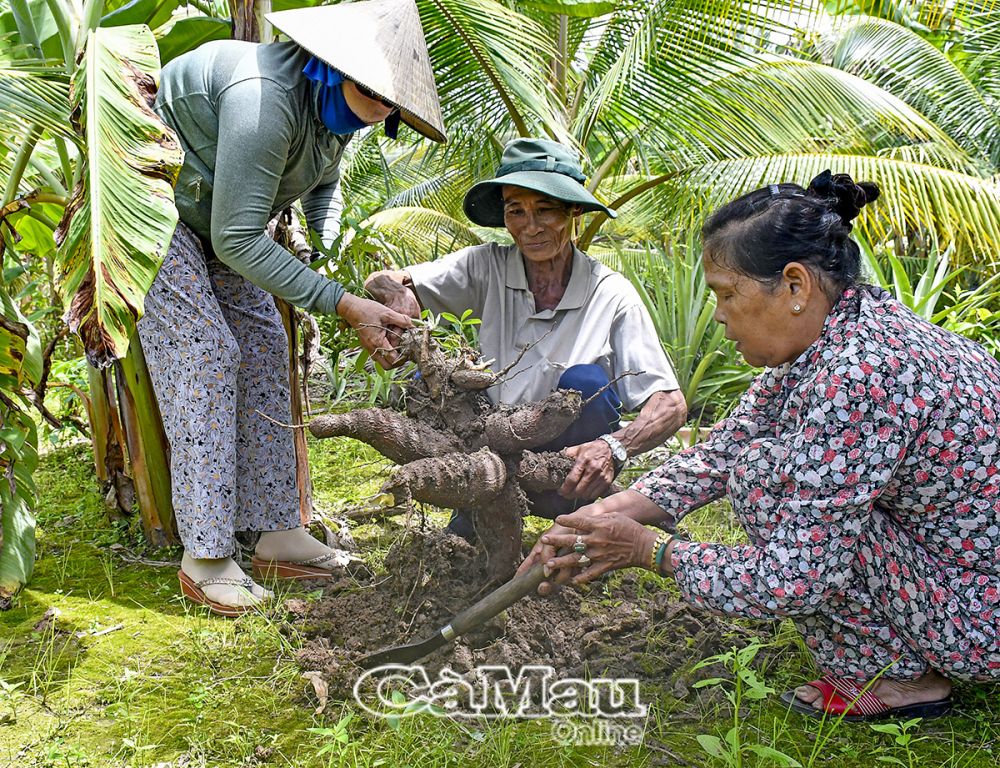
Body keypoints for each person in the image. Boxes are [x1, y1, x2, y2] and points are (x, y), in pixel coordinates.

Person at [520, 170, 1000, 721]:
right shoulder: (844, 332)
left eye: (728, 294)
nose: (720, 314)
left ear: (795, 287)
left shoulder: (862, 373)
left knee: (765, 478)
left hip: (980, 616)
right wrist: (592, 519)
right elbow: (717, 454)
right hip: (960, 577)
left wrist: (648, 550)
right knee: (752, 463)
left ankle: (899, 678)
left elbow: (793, 578)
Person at [137, 0, 446, 615]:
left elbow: (319, 184)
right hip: (149, 203)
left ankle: (276, 532)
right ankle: (204, 557)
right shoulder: (264, 99)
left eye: (392, 104)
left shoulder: (333, 116)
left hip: (213, 218)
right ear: (332, 69)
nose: (383, 111)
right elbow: (238, 237)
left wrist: (334, 265)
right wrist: (339, 302)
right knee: (206, 353)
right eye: (375, 95)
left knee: (263, 344)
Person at [365, 138, 686, 538]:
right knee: (430, 386)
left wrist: (613, 448)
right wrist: (393, 297)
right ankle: (482, 503)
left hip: (569, 466)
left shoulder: (611, 293)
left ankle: (579, 509)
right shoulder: (485, 266)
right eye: (516, 210)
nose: (530, 227)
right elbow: (385, 281)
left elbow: (670, 404)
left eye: (545, 210)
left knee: (585, 383)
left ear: (573, 213)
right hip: (490, 450)